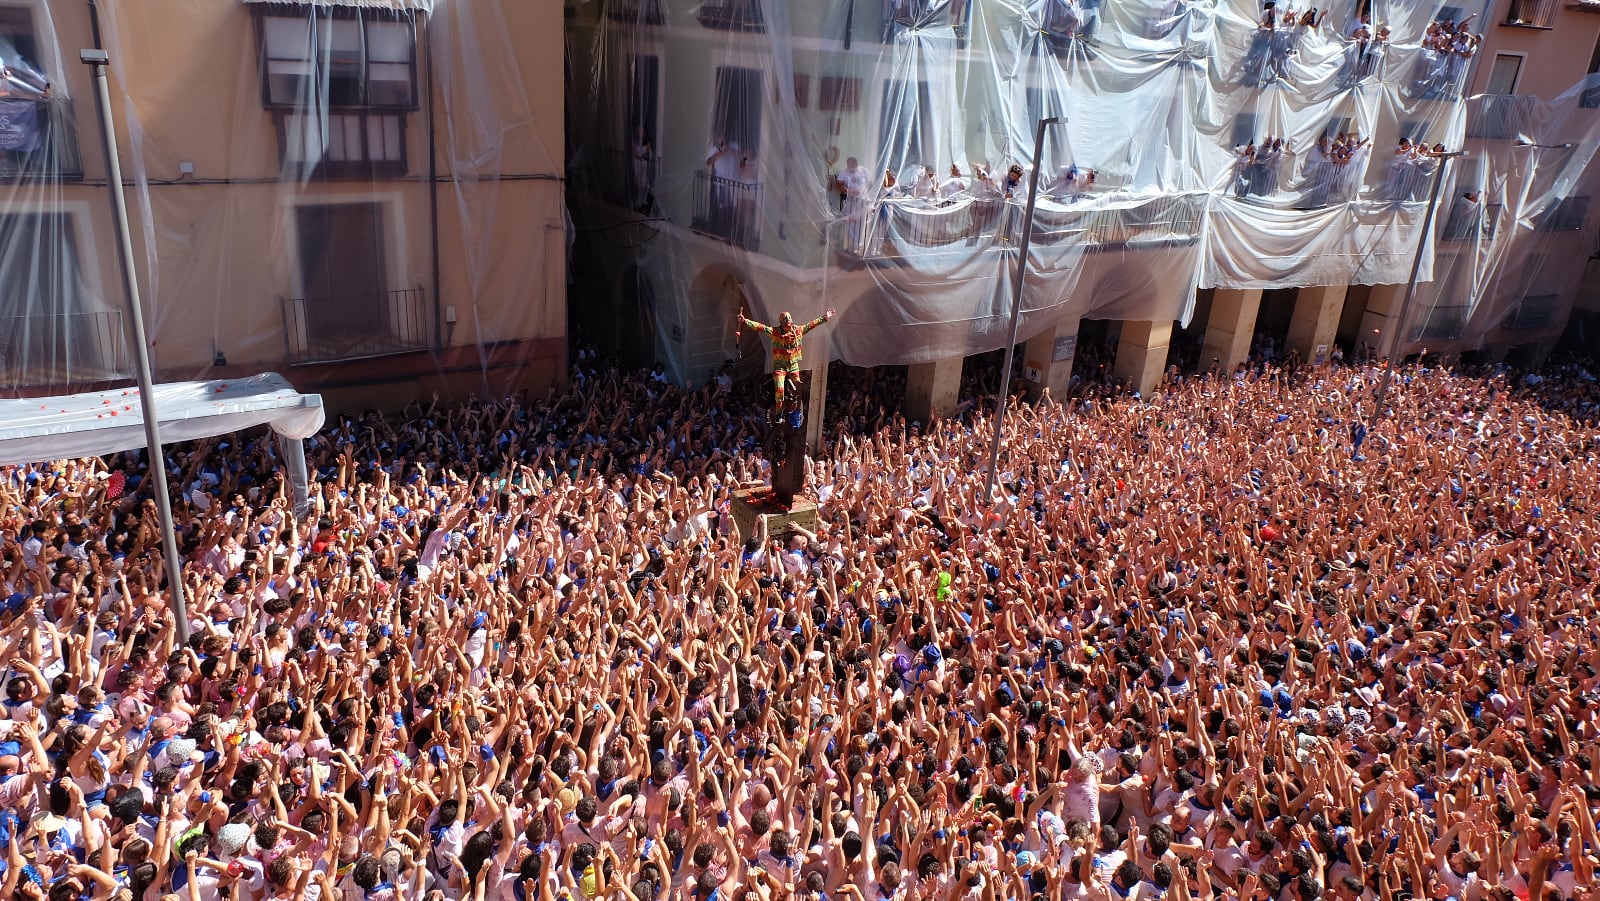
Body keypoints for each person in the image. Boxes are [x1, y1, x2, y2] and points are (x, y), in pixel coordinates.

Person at [736, 308, 836, 410]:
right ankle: (779, 410)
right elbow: (760, 327)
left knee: (799, 386)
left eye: (789, 320)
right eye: (786, 321)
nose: (788, 323)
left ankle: (798, 406)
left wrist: (825, 317)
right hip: (779, 366)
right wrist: (745, 321)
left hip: (793, 365)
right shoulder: (775, 332)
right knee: (779, 390)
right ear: (782, 323)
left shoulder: (798, 331)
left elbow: (811, 324)